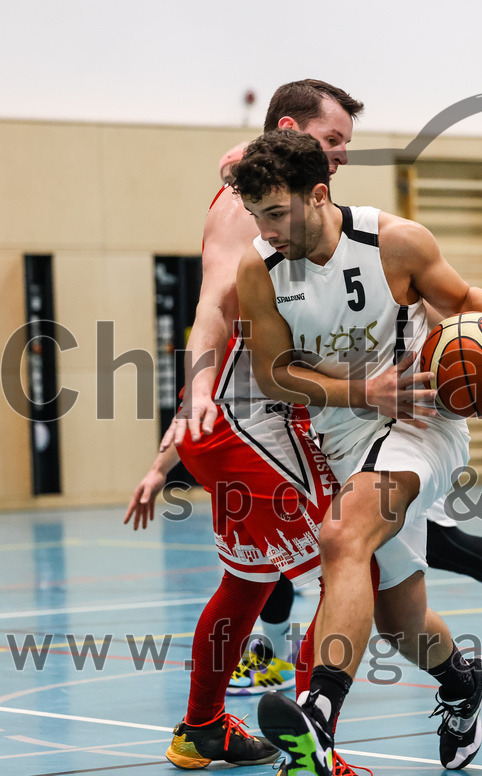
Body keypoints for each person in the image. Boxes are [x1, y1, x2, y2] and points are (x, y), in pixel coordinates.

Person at [232, 129, 482, 774]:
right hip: (345, 433)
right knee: (400, 621)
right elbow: (272, 373)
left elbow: (462, 302)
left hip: (420, 423)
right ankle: (463, 681)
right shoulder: (259, 269)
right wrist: (360, 391)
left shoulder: (394, 242)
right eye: (255, 217)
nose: (265, 230)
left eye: (274, 214)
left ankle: (318, 716)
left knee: (342, 539)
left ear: (317, 195)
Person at [124, 79, 370, 775]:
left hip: (239, 421)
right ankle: (311, 747)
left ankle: (201, 729)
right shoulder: (245, 205)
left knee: (248, 584)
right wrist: (189, 410)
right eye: (332, 141)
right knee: (345, 556)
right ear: (290, 128)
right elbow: (211, 303)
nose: (342, 156)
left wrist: (168, 455)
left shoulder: (292, 199)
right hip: (248, 418)